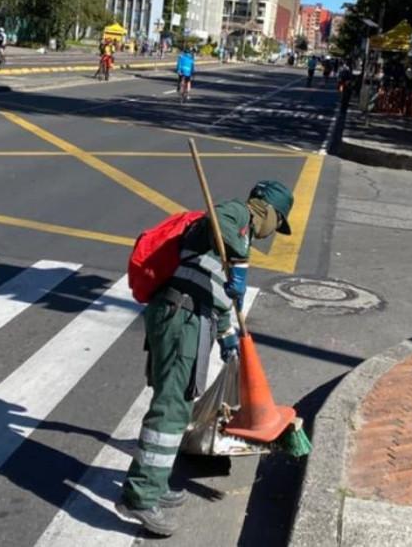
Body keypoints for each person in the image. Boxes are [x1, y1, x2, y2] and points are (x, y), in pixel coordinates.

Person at [116, 181, 295, 537]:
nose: (273, 232)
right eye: (278, 222)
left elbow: (215, 291)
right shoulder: (238, 215)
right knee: (172, 407)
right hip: (182, 316)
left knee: (176, 403)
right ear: (269, 211)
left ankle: (154, 482)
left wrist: (227, 334)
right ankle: (140, 496)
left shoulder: (238, 238)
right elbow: (218, 219)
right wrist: (240, 265)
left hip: (190, 316)